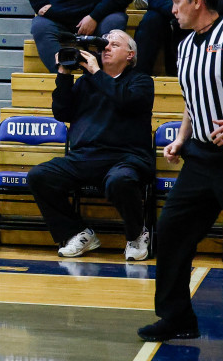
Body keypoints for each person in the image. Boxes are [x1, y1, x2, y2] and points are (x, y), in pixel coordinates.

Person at [137, 0, 223, 343]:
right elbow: (193, 101)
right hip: (200, 159)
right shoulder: (186, 46)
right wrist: (180, 138)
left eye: (176, 3)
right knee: (172, 232)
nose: (172, 10)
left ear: (196, 2)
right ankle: (177, 318)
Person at [26, 29, 153, 259]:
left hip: (126, 158)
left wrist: (95, 71)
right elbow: (61, 111)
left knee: (120, 180)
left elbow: (125, 101)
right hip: (84, 157)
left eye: (114, 44)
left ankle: (136, 235)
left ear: (130, 55)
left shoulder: (141, 81)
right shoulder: (86, 82)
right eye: (105, 43)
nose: (106, 47)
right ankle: (78, 233)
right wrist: (64, 74)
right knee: (39, 176)